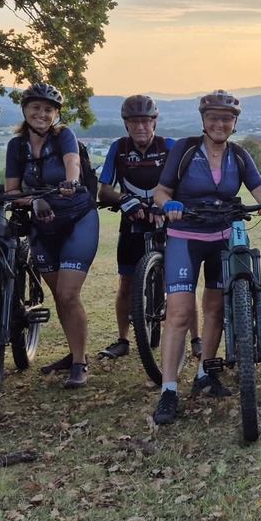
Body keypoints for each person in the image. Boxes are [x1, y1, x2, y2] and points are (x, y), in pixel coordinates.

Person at [151, 91, 261, 425]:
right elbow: (161, 191)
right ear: (203, 120)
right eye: (214, 117)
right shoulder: (185, 150)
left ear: (234, 122)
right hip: (185, 237)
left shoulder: (238, 155)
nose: (220, 123)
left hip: (224, 236)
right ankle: (168, 389)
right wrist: (169, 206)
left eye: (226, 118)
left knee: (216, 309)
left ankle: (204, 373)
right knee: (179, 313)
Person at [4, 83, 98, 389]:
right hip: (43, 226)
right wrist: (32, 200)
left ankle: (81, 363)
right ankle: (73, 353)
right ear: (25, 111)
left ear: (56, 114)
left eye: (49, 109)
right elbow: (11, 191)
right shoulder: (16, 147)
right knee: (60, 296)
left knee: (69, 294)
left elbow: (72, 164)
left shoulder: (63, 136)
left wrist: (71, 182)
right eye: (36, 108)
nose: (42, 114)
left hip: (77, 219)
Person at [93, 95, 197, 360]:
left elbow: (188, 183)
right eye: (134, 122)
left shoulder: (170, 146)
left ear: (155, 122)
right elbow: (104, 190)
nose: (140, 127)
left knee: (183, 282)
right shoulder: (119, 148)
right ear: (126, 124)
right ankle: (123, 339)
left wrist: (169, 205)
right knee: (126, 283)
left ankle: (196, 338)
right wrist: (124, 200)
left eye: (145, 121)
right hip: (132, 223)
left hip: (169, 221)